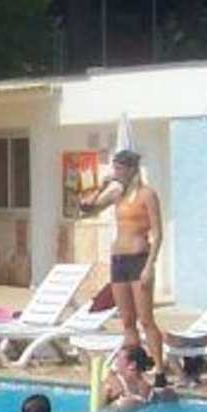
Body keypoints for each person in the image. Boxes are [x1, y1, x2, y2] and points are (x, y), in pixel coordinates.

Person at [81, 150, 166, 369]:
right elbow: (86, 209)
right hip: (119, 260)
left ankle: (159, 369)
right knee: (127, 320)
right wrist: (101, 187)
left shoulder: (147, 194)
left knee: (145, 319)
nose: (116, 172)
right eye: (115, 168)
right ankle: (134, 367)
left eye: (119, 168)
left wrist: (150, 266)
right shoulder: (116, 195)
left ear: (131, 169)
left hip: (139, 258)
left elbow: (158, 233)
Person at [100, 343, 177, 412]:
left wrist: (105, 400)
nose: (116, 363)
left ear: (132, 365)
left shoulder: (123, 403)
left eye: (119, 359)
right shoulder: (163, 393)